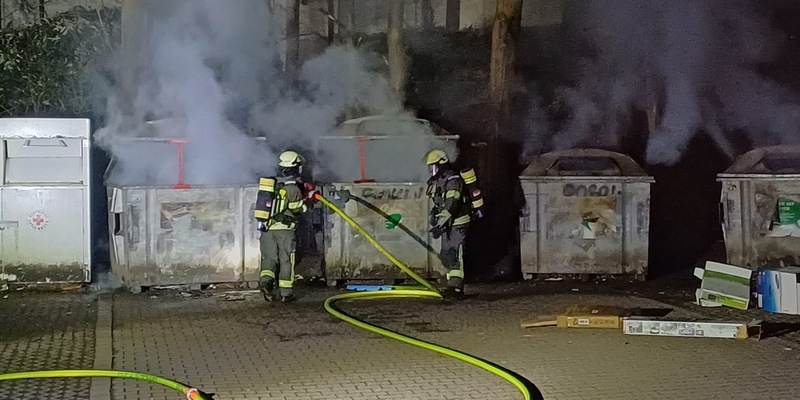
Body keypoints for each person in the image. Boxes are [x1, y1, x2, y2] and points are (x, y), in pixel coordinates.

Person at [258, 150, 316, 303]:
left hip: (267, 229)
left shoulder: (272, 185)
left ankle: (266, 283)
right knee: (286, 260)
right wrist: (308, 202)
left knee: (269, 259)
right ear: (296, 168)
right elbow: (298, 209)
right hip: (285, 230)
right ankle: (286, 293)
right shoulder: (293, 189)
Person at [424, 149, 470, 298]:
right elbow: (439, 203)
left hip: (458, 222)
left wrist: (439, 224)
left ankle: (457, 288)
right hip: (446, 223)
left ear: (441, 164)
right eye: (430, 167)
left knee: (456, 253)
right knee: (447, 255)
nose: (431, 170)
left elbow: (452, 204)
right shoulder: (439, 180)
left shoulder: (453, 180)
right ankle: (452, 285)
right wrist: (433, 215)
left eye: (433, 166)